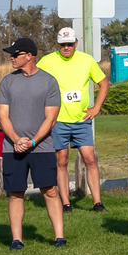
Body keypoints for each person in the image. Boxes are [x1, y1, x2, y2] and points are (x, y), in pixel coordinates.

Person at [0, 37, 64, 250]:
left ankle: (59, 238)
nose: (11, 58)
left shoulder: (48, 81)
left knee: (50, 190)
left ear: (29, 56)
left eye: (15, 54)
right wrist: (17, 140)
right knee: (16, 193)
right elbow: (2, 116)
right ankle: (17, 240)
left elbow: (51, 119)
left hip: (42, 147)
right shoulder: (7, 82)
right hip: (12, 148)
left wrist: (33, 141)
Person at [38, 26, 109, 213]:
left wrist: (96, 108)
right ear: (57, 44)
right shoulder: (46, 61)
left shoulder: (86, 60)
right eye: (63, 45)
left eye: (70, 44)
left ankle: (97, 202)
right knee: (61, 160)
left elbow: (103, 83)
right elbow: (34, 82)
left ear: (76, 43)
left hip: (81, 120)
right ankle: (65, 203)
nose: (66, 48)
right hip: (58, 120)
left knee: (89, 158)